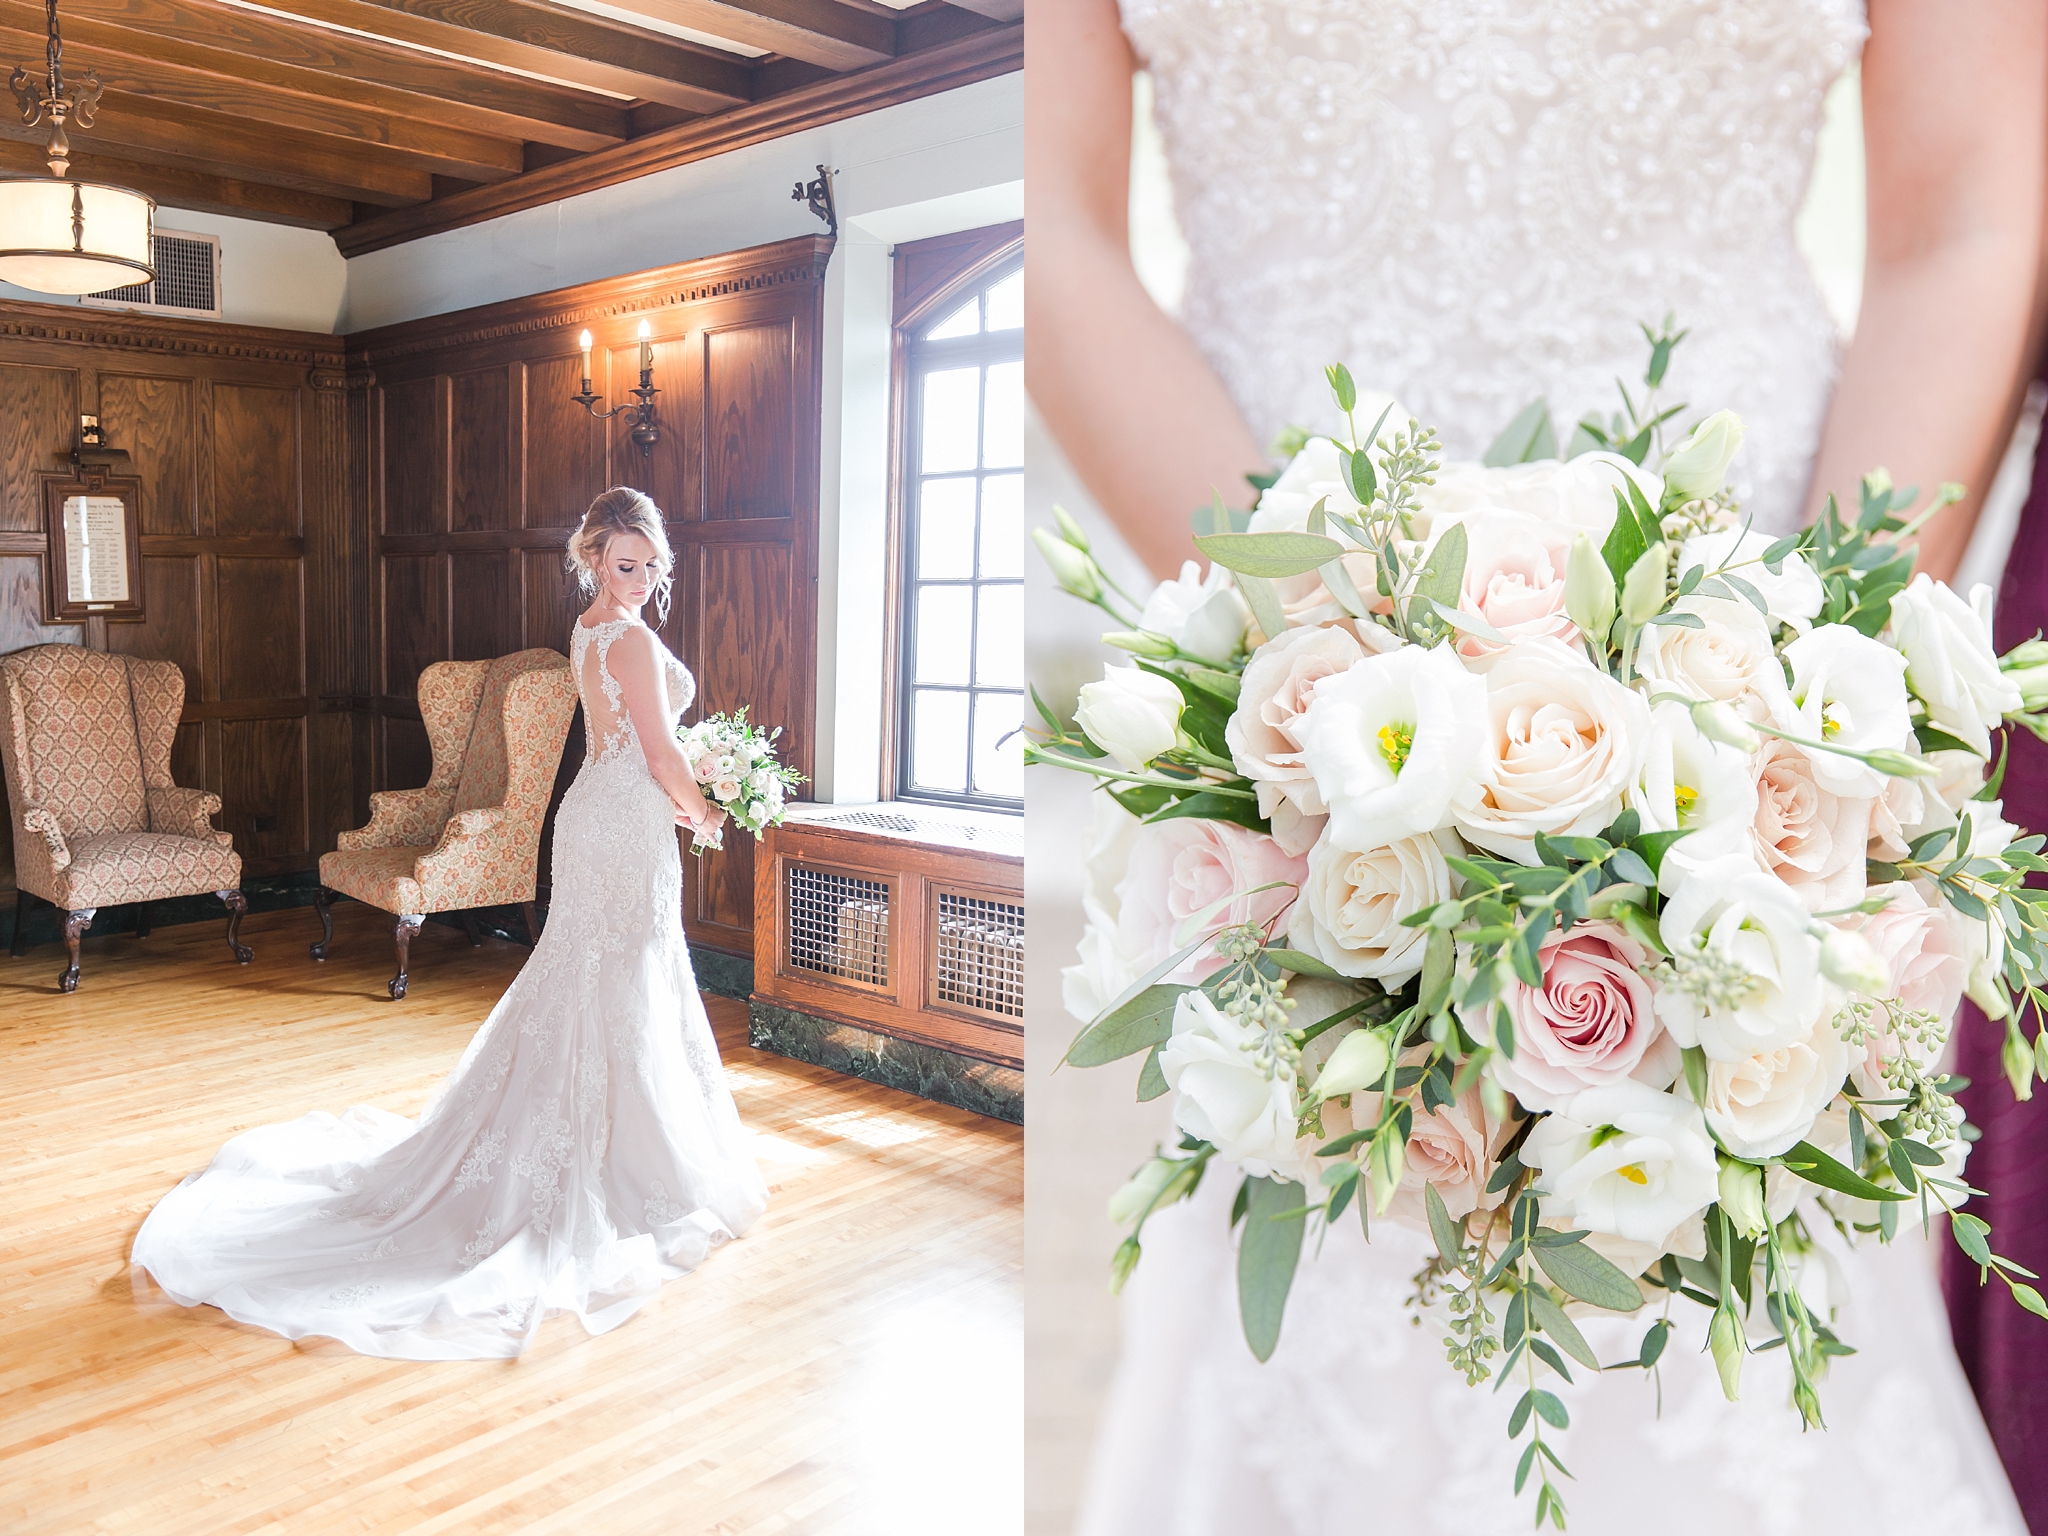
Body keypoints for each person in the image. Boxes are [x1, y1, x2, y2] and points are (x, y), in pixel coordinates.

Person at [1028, 2, 2046, 1530]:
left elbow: (1962, 219)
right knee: (1338, 1212)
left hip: (1755, 635)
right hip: (1284, 629)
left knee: (1739, 1269)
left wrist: (1814, 704)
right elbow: (1050, 222)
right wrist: (1303, 660)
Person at [130, 487, 768, 1360]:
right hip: (624, 822)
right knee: (618, 974)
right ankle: (619, 1170)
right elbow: (658, 755)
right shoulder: (627, 638)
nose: (642, 578)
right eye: (625, 564)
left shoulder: (589, 630)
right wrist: (707, 811)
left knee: (602, 975)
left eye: (652, 564)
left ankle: (618, 1148)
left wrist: (689, 786)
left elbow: (631, 741)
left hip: (595, 817)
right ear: (592, 561)